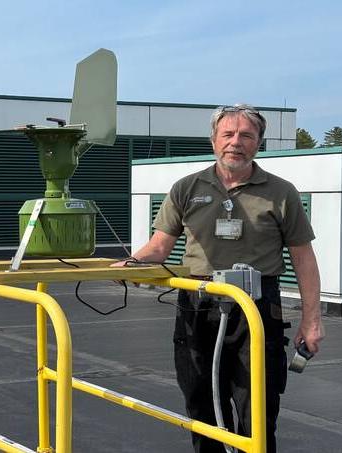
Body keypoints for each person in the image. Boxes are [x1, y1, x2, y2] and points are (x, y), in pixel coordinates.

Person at [114, 105, 324, 452]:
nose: (235, 142)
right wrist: (133, 263)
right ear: (214, 140)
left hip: (256, 307)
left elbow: (304, 258)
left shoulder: (281, 192)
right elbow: (159, 247)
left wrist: (311, 321)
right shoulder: (186, 188)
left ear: (259, 143)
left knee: (255, 405)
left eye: (246, 135)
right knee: (200, 402)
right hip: (198, 304)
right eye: (228, 134)